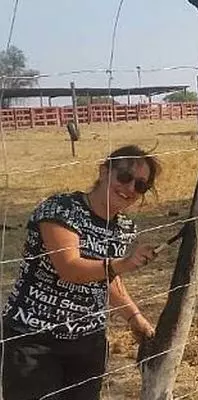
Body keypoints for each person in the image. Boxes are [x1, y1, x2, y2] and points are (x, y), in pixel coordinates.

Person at [2, 144, 162, 400]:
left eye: (141, 185)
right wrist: (123, 263)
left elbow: (104, 277)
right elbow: (70, 268)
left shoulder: (123, 226)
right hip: (35, 341)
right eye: (124, 177)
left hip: (88, 342)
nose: (130, 188)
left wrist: (134, 317)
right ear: (103, 172)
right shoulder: (59, 209)